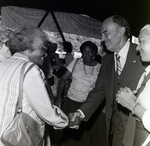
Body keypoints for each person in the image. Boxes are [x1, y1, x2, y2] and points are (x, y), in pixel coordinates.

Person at [68, 15, 145, 146]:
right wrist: (80, 113)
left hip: (138, 128)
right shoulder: (107, 60)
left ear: (121, 31)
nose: (102, 39)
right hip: (115, 128)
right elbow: (99, 90)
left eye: (105, 33)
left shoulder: (142, 55)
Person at [0, 26, 68, 146]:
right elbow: (45, 110)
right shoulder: (30, 69)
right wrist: (64, 121)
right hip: (16, 137)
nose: (46, 54)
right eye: (43, 49)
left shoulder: (4, 64)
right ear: (29, 48)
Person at [56, 41, 101, 146]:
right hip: (71, 101)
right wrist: (59, 97)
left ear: (94, 53)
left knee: (84, 133)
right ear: (81, 53)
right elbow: (63, 79)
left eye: (90, 52)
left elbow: (100, 88)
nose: (87, 55)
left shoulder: (100, 68)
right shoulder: (76, 62)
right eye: (84, 52)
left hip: (87, 105)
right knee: (68, 131)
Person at [116, 24, 150, 146]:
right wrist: (131, 98)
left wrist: (132, 105)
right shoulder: (146, 74)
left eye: (141, 41)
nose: (137, 48)